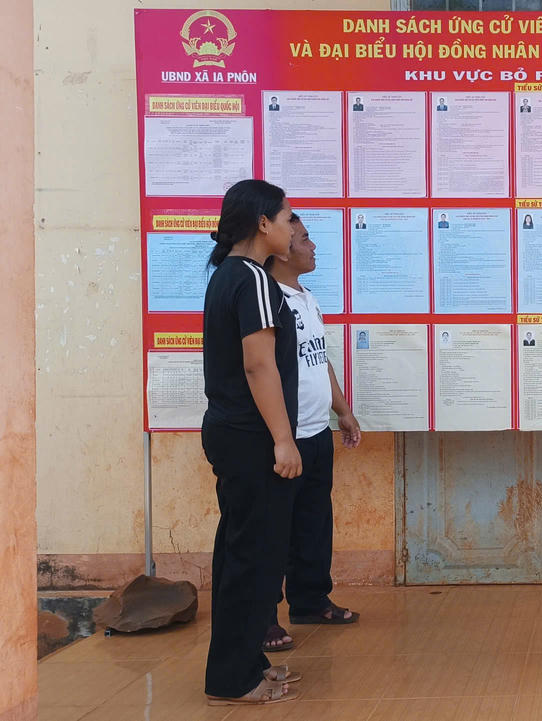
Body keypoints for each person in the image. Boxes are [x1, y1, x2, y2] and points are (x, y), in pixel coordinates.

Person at [200, 179, 301, 706]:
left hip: (232, 433)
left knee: (240, 553)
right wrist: (283, 441)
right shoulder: (254, 279)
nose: (292, 229)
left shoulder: (228, 275)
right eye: (287, 219)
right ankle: (232, 679)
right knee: (254, 558)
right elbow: (259, 365)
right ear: (263, 224)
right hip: (252, 438)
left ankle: (243, 663)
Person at [261, 215, 364, 655]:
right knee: (272, 531)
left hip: (316, 430)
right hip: (285, 436)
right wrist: (282, 437)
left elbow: (318, 358)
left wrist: (341, 409)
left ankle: (310, 600)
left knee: (314, 523)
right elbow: (259, 367)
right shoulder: (268, 300)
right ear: (281, 249)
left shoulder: (306, 297)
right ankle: (263, 615)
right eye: (303, 237)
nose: (312, 245)